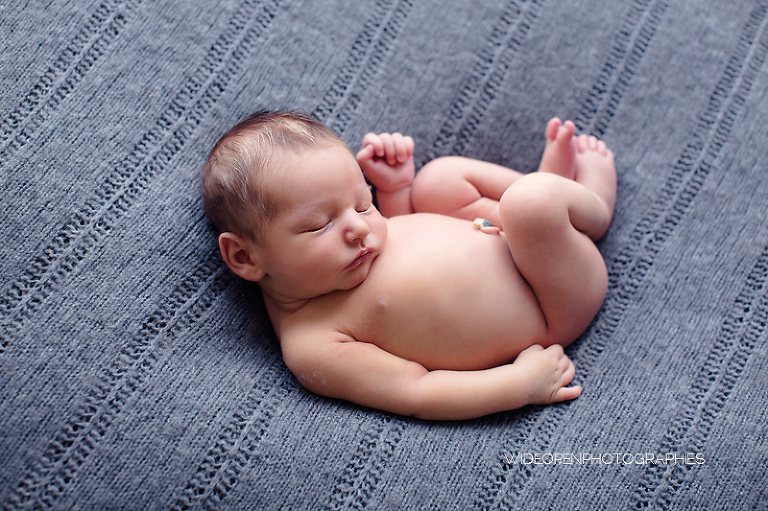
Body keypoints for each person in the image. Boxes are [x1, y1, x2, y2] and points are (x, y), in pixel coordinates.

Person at [200, 111, 616, 421]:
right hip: (551, 303)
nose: (359, 228)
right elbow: (418, 391)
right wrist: (519, 386)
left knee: (438, 180)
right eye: (319, 225)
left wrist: (395, 189)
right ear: (245, 257)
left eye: (363, 201)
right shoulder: (314, 345)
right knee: (530, 203)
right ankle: (576, 202)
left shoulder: (358, 248)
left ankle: (571, 210)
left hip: (505, 234)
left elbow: (403, 232)